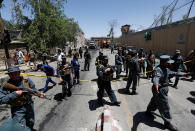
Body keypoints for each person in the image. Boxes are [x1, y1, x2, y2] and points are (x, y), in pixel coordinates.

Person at [145, 55, 189, 131]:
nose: (170, 64)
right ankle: (167, 122)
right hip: (159, 89)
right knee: (165, 106)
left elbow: (173, 73)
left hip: (162, 88)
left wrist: (184, 74)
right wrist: (156, 85)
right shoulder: (158, 69)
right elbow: (156, 78)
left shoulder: (165, 68)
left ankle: (148, 111)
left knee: (155, 101)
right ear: (164, 63)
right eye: (168, 63)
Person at [0, 66, 44, 130]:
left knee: (31, 122)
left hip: (29, 105)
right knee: (20, 127)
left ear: (19, 72)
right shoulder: (6, 85)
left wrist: (39, 94)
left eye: (16, 73)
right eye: (12, 74)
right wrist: (15, 94)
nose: (14, 75)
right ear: (9, 75)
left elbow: (33, 89)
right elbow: (1, 100)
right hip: (17, 109)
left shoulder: (26, 80)